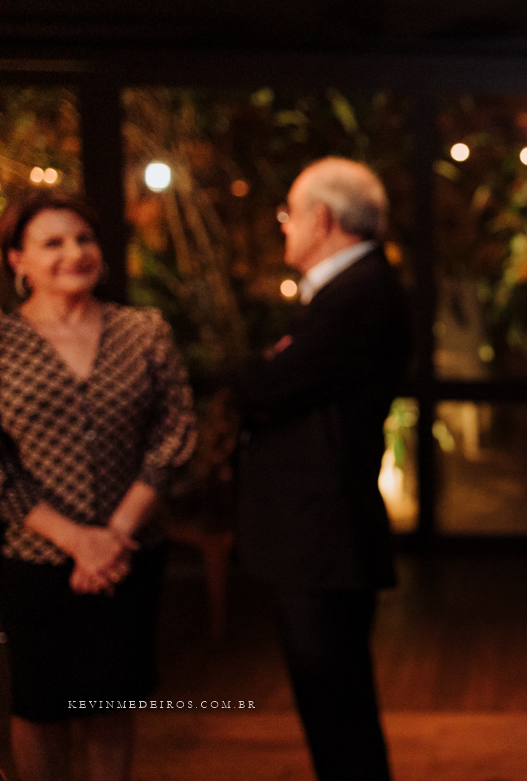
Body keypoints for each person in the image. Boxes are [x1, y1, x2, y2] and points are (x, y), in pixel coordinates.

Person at [0, 190, 196, 781]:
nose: (74, 252)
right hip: (33, 554)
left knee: (110, 702)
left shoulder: (144, 331)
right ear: (17, 261)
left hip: (129, 553)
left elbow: (176, 430)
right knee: (40, 707)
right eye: (52, 242)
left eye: (83, 238)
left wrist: (111, 535)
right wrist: (73, 539)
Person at [235, 157, 407, 781]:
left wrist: (263, 367)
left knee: (338, 711)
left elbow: (262, 385)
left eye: (288, 214)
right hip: (316, 532)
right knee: (331, 706)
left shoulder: (360, 293)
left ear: (323, 218)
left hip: (324, 535)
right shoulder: (344, 291)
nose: (283, 228)